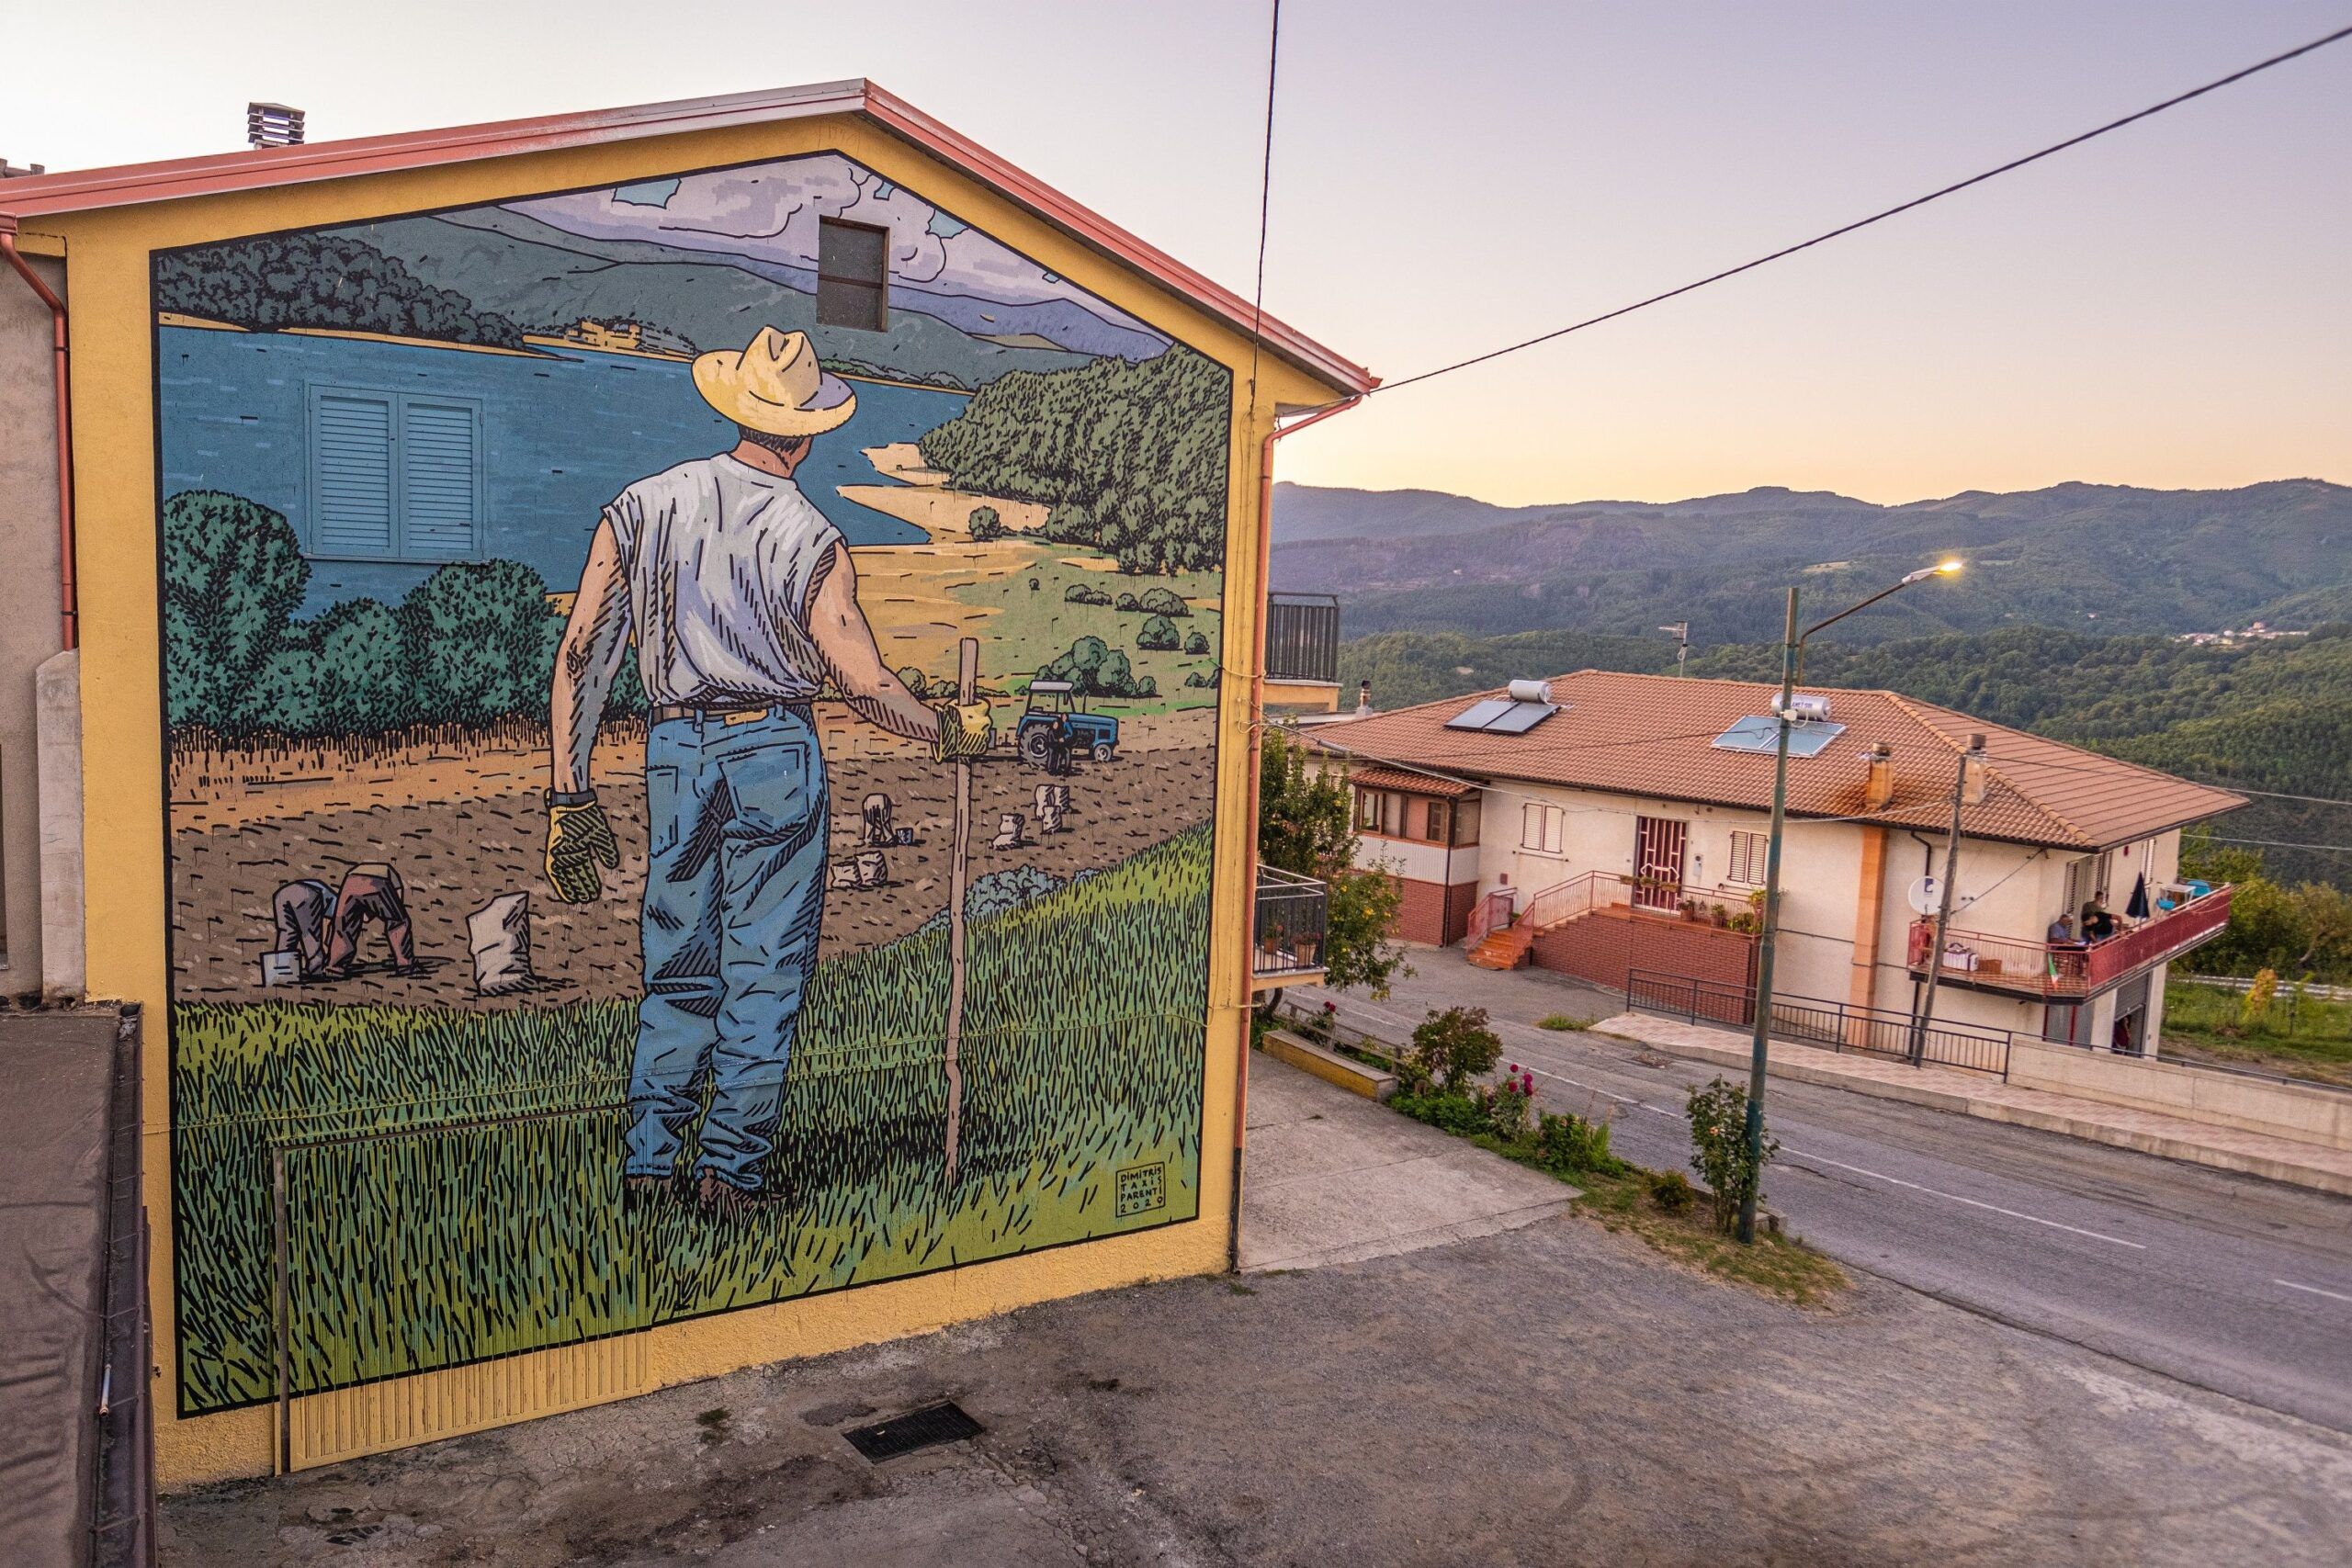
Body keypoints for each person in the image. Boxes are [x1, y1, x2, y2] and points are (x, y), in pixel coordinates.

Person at [546, 326, 992, 1216]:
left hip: (673, 753)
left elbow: (581, 653)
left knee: (676, 970)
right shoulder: (811, 535)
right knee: (763, 976)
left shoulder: (641, 505)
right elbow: (860, 681)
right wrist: (943, 728)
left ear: (734, 409)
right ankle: (730, 1176)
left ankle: (646, 1167)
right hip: (775, 753)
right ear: (809, 432)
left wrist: (569, 794)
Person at [322, 863, 416, 976]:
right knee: (398, 922)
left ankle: (335, 966)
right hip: (378, 881)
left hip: (350, 882)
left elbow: (365, 917)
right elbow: (396, 910)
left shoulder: (358, 870)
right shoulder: (395, 883)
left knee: (343, 925)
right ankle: (404, 963)